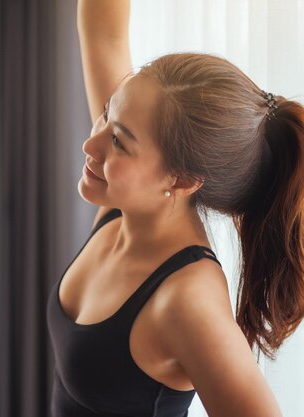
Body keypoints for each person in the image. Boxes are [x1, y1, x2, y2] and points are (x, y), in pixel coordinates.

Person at [46, 1, 304, 416]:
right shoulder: (127, 203)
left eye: (119, 141)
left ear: (181, 180)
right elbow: (102, 30)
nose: (90, 144)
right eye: (107, 114)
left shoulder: (187, 300)